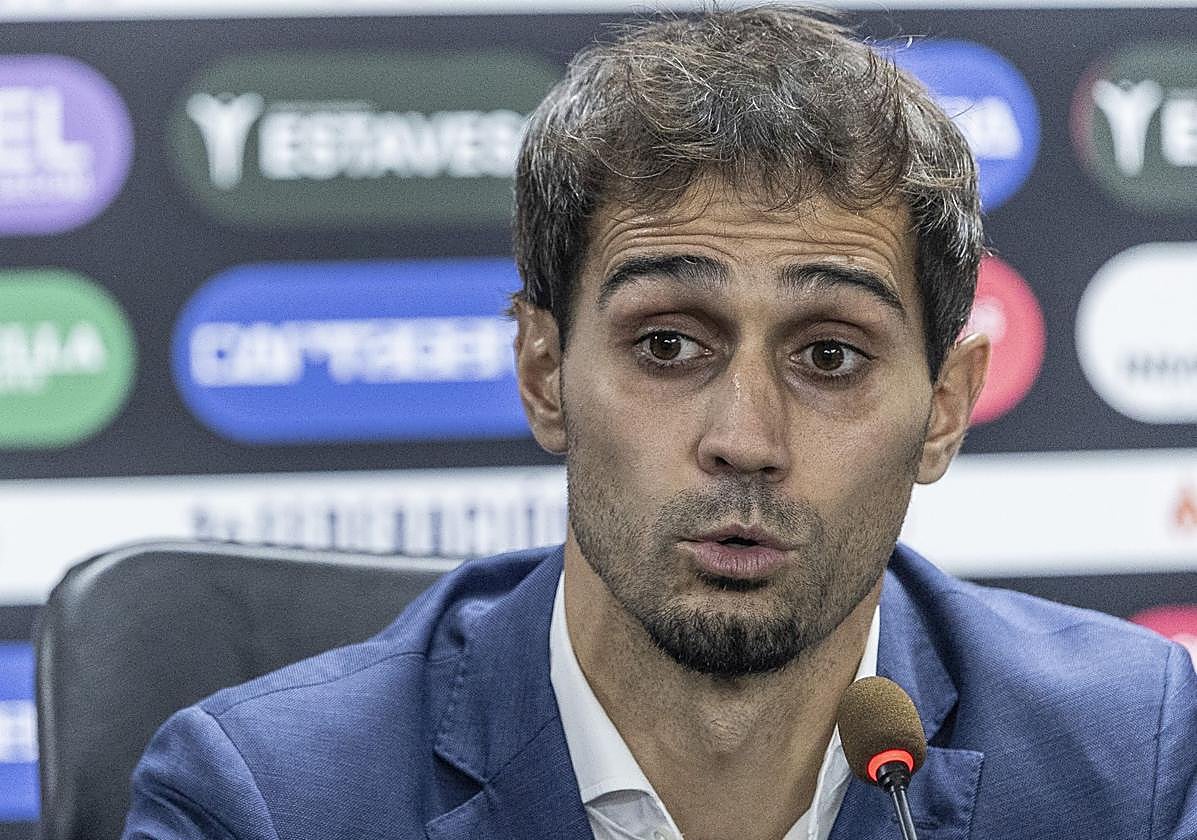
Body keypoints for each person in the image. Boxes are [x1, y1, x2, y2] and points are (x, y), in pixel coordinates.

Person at [123, 7, 1197, 840]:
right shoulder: (269, 800)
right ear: (544, 372)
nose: (747, 438)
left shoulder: (1128, 760)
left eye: (829, 355)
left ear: (944, 408)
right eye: (669, 345)